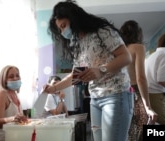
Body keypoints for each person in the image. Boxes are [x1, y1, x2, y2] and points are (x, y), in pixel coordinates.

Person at [44, 1, 133, 141]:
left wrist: (102, 70)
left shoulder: (101, 31)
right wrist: (53, 88)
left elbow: (126, 57)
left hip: (116, 95)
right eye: (60, 30)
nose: (63, 32)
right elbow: (75, 76)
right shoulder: (77, 43)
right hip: (95, 99)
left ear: (73, 18)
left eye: (63, 26)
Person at [120, 20, 158, 141]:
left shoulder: (117, 50)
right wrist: (148, 106)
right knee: (139, 132)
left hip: (119, 94)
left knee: (125, 131)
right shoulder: (138, 48)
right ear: (138, 34)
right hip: (134, 92)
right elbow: (140, 78)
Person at [0, 65, 28, 141]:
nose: (15, 78)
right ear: (4, 80)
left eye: (17, 75)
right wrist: (13, 119)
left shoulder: (16, 95)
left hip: (13, 136)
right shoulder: (1, 94)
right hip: (1, 137)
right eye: (11, 76)